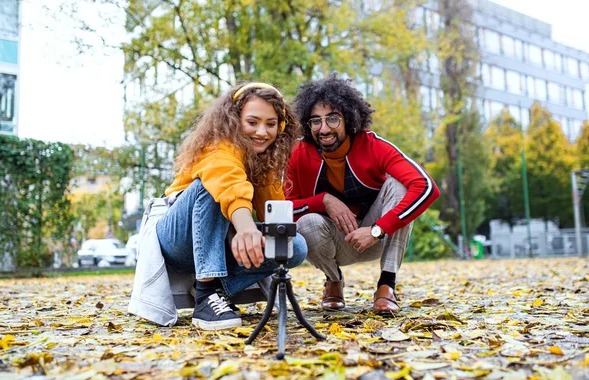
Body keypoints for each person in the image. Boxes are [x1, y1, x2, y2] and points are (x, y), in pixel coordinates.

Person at [129, 82, 307, 330]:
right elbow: (228, 183)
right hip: (176, 241)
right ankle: (204, 297)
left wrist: (274, 235)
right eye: (252, 122)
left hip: (215, 241)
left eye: (271, 123)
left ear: (282, 126)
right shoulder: (217, 148)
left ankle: (216, 290)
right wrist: (245, 228)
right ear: (234, 120)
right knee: (208, 187)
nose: (262, 132)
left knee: (293, 245)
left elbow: (273, 209)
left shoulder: (263, 160)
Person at [285, 75, 440, 315]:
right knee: (306, 222)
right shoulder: (299, 153)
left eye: (333, 119)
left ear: (349, 119)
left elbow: (426, 187)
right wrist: (324, 201)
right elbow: (284, 209)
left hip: (377, 234)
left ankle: (387, 285)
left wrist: (378, 229)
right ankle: (333, 280)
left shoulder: (372, 146)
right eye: (316, 120)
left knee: (400, 185)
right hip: (333, 241)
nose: (323, 128)